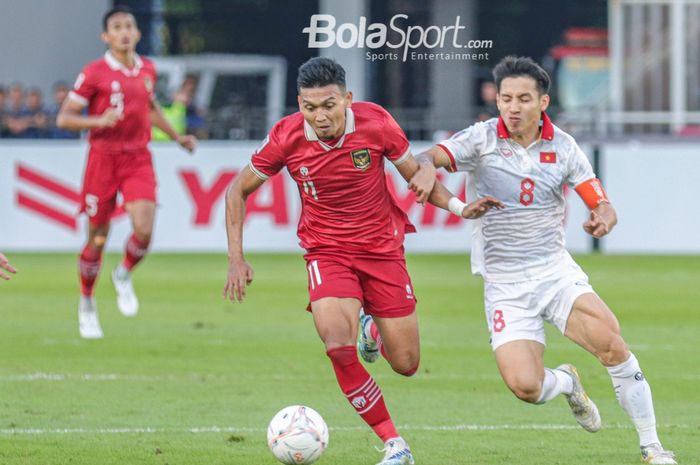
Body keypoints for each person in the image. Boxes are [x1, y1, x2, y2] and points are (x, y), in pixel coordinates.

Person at [222, 57, 500, 465]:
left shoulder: (376, 123)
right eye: (310, 107)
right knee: (337, 344)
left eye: (329, 105)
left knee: (406, 363)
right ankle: (394, 443)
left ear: (348, 99)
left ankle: (371, 328)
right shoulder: (285, 136)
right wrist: (236, 257)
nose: (320, 116)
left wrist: (459, 207)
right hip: (326, 251)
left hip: (382, 251)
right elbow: (236, 189)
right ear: (299, 104)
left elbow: (417, 177)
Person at [410, 56, 677, 465]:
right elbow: (431, 155)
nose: (513, 108)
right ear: (496, 101)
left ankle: (652, 447)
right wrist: (427, 167)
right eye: (505, 99)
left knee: (612, 345)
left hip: (554, 272)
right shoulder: (480, 138)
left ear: (543, 101)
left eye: (522, 99)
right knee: (526, 387)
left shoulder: (564, 147)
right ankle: (567, 382)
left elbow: (599, 200)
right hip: (504, 283)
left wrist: (603, 215)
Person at [57, 5, 196, 339]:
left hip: (137, 158)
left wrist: (177, 138)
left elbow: (150, 107)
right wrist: (97, 120)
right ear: (106, 36)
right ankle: (87, 302)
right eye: (116, 26)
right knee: (98, 238)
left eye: (128, 26)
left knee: (144, 230)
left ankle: (123, 273)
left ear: (137, 33)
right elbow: (65, 118)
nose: (123, 31)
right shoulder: (93, 73)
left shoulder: (147, 68)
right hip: (103, 160)